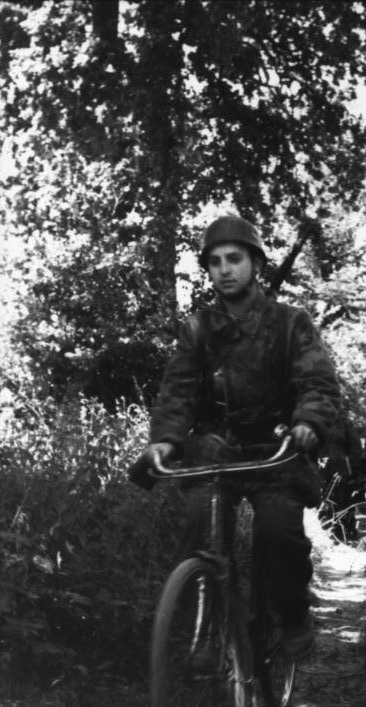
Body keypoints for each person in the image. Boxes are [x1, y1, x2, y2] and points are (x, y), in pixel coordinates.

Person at [135, 215, 340, 660]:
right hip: (218, 448)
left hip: (277, 449)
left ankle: (292, 616)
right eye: (214, 262)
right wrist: (166, 440)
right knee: (198, 525)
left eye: (234, 258)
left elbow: (317, 384)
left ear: (255, 264)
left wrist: (307, 423)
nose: (224, 269)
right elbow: (178, 390)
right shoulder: (199, 328)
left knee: (277, 532)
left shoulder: (290, 323)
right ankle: (206, 628)